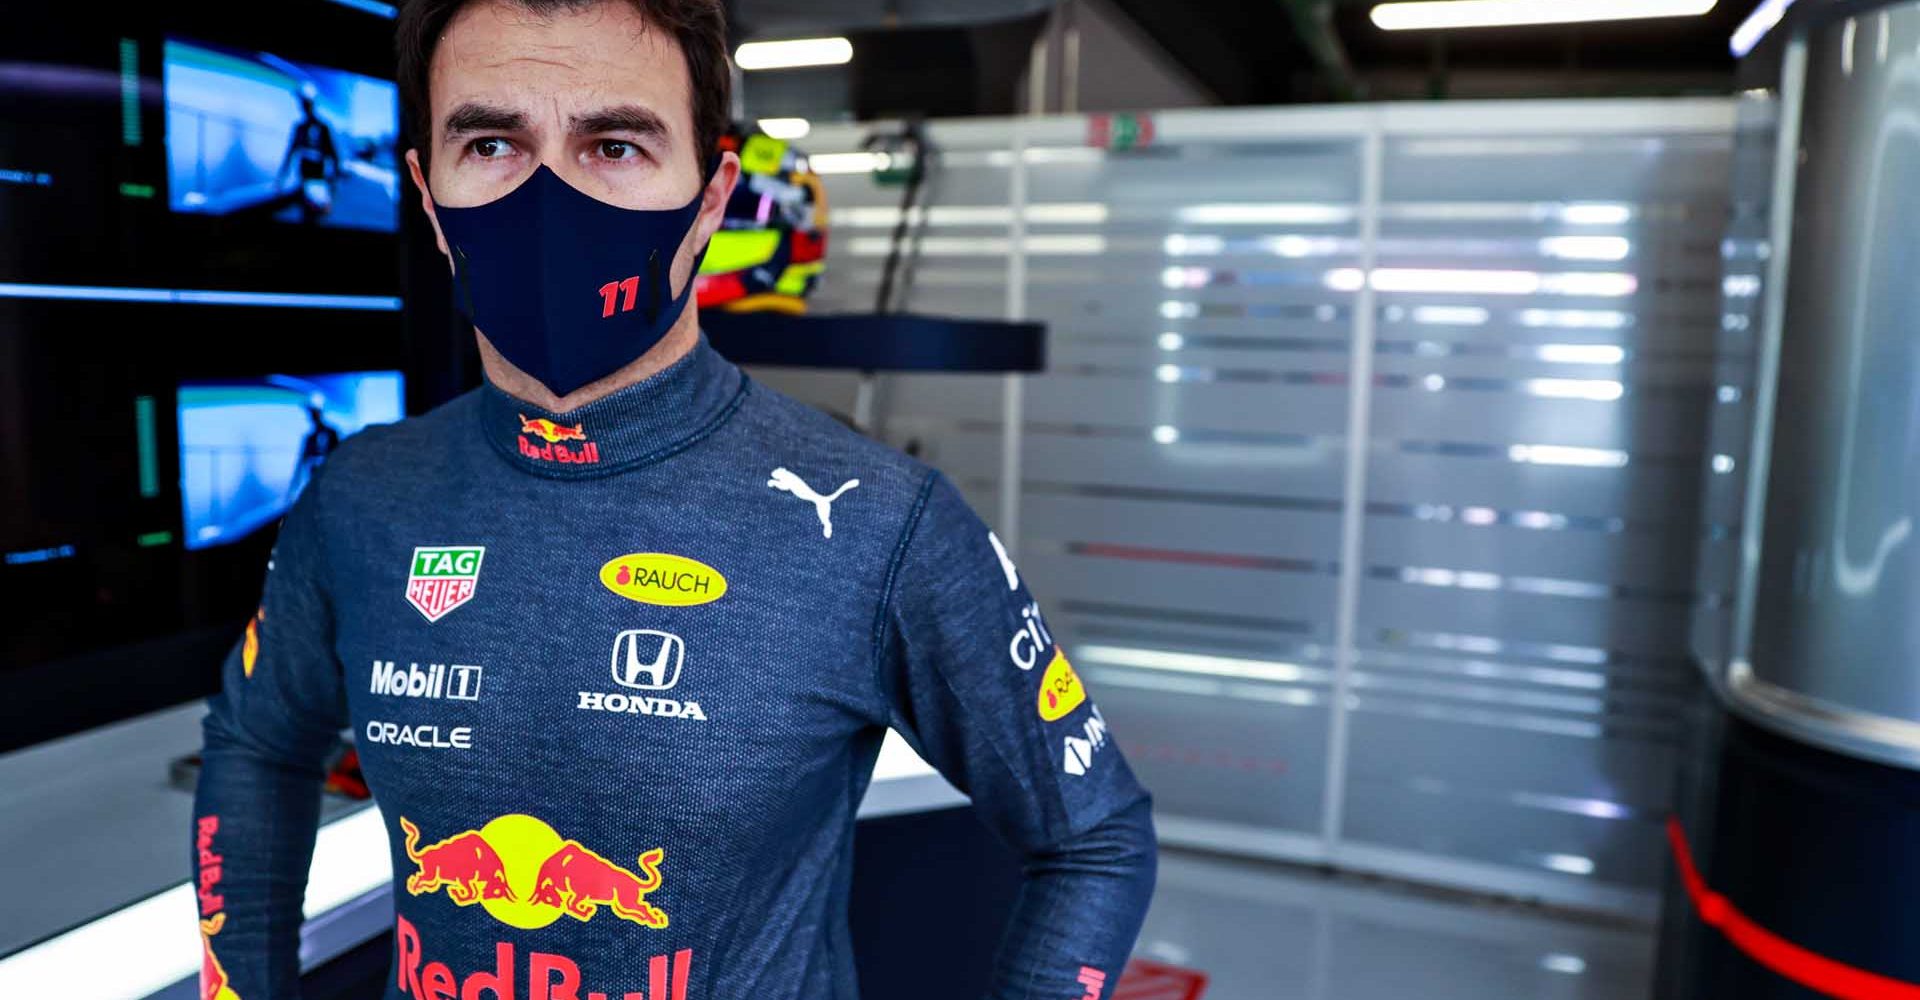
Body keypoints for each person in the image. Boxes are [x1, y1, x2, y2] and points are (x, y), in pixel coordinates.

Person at [189, 1, 1157, 998]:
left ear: (712, 196)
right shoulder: (361, 495)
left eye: (614, 144)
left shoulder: (878, 519)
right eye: (490, 141)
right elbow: (256, 742)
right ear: (428, 197)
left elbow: (1094, 835)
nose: (549, 199)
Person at [277, 82, 340, 223]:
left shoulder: (323, 128)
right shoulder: (300, 128)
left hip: (318, 182)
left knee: (316, 217)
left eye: (305, 102)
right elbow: (291, 151)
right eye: (302, 102)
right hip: (304, 181)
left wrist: (332, 185)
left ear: (311, 103)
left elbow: (334, 155)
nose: (302, 106)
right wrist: (282, 176)